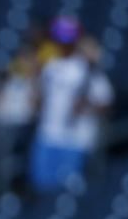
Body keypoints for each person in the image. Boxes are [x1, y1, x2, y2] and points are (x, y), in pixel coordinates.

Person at [30, 18, 113, 194]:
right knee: (42, 186)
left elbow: (106, 102)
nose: (62, 44)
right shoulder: (50, 67)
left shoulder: (88, 69)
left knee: (68, 191)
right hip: (48, 133)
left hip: (75, 138)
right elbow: (38, 100)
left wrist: (87, 106)